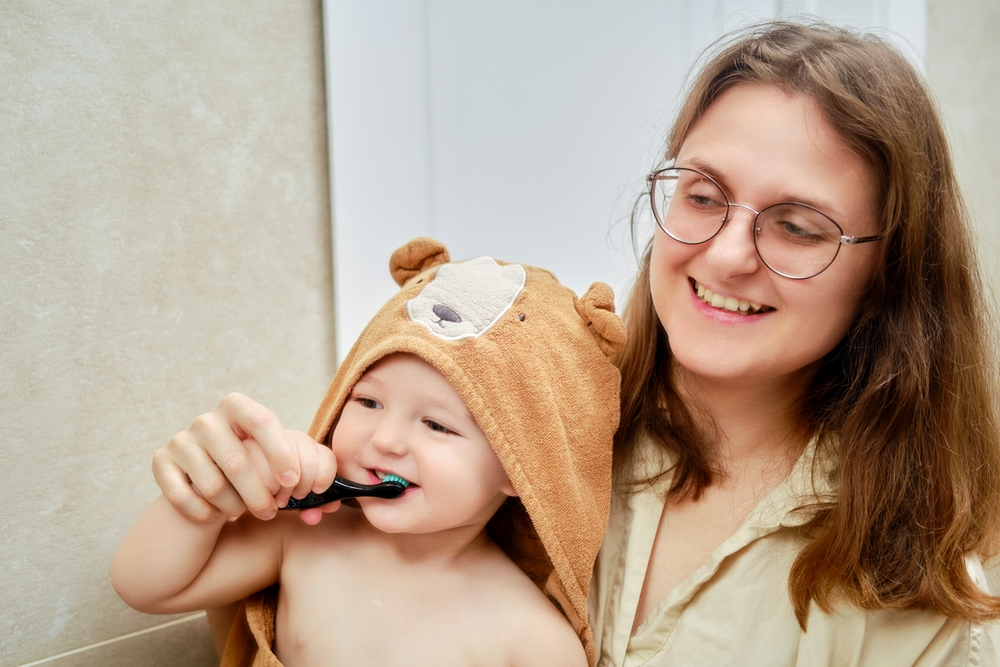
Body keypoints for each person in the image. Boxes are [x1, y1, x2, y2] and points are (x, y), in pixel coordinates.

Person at [589, 20, 1000, 666]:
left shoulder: (925, 605)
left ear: (885, 276)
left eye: (798, 228)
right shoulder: (533, 427)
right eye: (702, 195)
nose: (726, 255)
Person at [111, 238, 626, 667]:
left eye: (436, 425)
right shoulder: (303, 536)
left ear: (524, 469)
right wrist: (215, 493)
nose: (385, 440)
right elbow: (144, 587)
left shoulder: (531, 640)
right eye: (369, 400)